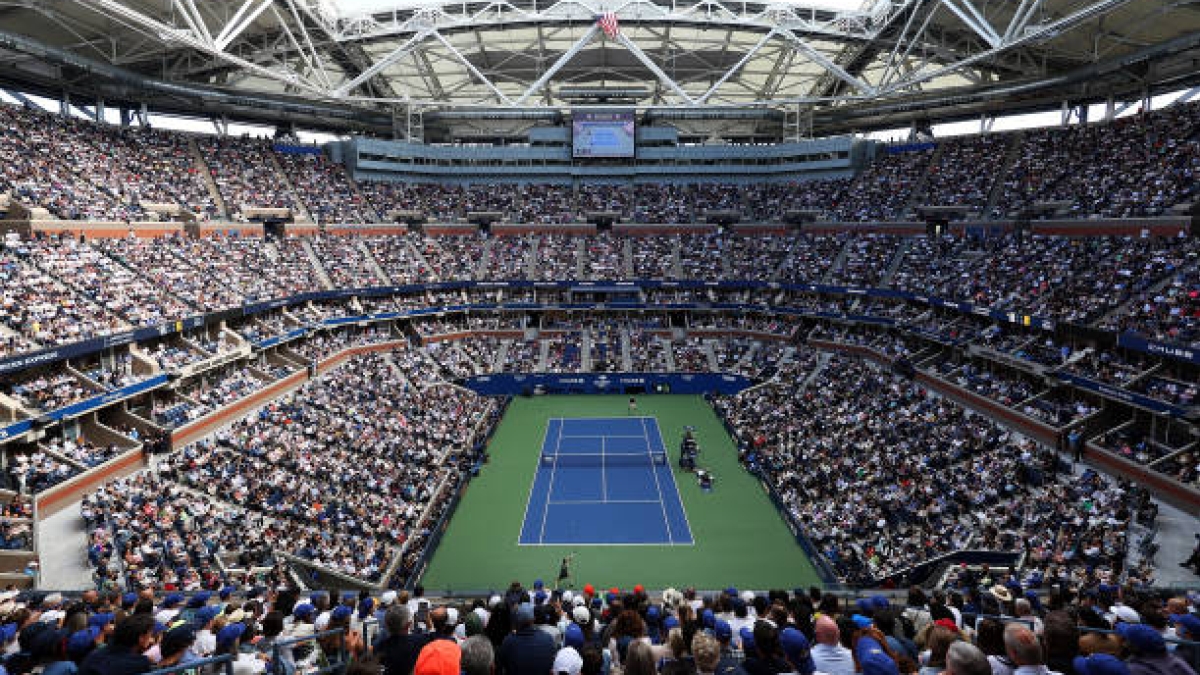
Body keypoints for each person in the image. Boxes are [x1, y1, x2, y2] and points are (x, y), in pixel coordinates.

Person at [78, 613, 155, 675]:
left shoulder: (94, 653)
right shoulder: (140, 663)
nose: (151, 638)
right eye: (150, 634)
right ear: (141, 638)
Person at [497, 603, 555, 675]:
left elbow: (500, 667)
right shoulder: (548, 639)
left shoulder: (508, 642)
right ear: (533, 619)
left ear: (516, 621)